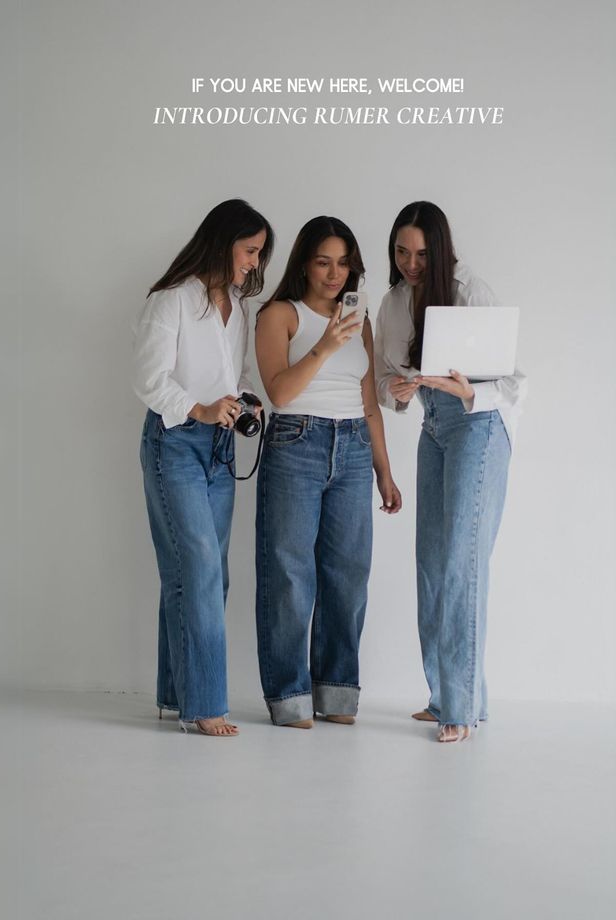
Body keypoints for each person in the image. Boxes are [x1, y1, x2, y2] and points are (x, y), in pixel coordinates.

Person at [374, 201, 527, 743]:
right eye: (401, 251)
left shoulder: (469, 291)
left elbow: (513, 382)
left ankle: (460, 709)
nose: (411, 263)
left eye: (421, 253)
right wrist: (398, 391)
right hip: (433, 427)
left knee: (463, 562)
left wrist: (468, 390)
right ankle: (447, 696)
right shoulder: (391, 303)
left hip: (478, 427)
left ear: (440, 250)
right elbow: (383, 382)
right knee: (432, 564)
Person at [133, 198, 274, 737]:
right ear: (223, 243)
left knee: (199, 574)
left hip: (218, 447)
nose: (254, 263)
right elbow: (149, 379)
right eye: (250, 250)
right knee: (199, 570)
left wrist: (244, 399)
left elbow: (230, 373)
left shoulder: (235, 307)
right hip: (174, 444)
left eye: (259, 253)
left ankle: (178, 695)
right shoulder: (170, 301)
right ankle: (207, 704)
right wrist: (200, 409)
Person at [255, 216, 402, 729]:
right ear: (304, 263)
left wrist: (385, 472)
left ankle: (337, 694)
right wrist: (325, 346)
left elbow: (370, 406)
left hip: (355, 448)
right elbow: (279, 393)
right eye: (323, 262)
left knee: (348, 576)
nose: (335, 273)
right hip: (297, 443)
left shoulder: (358, 319)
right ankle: (289, 698)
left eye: (343, 263)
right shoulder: (280, 315)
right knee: (291, 575)